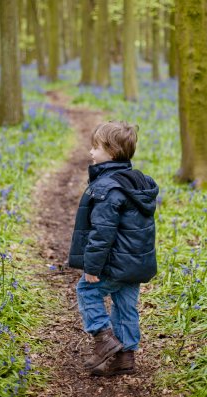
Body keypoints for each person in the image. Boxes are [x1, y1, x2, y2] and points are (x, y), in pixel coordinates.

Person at [68, 121, 159, 376]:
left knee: (86, 289)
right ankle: (125, 357)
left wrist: (92, 267)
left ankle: (103, 337)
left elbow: (102, 233)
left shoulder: (107, 187)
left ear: (111, 150)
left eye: (95, 147)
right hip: (136, 263)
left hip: (114, 263)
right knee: (125, 305)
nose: (91, 153)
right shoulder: (138, 183)